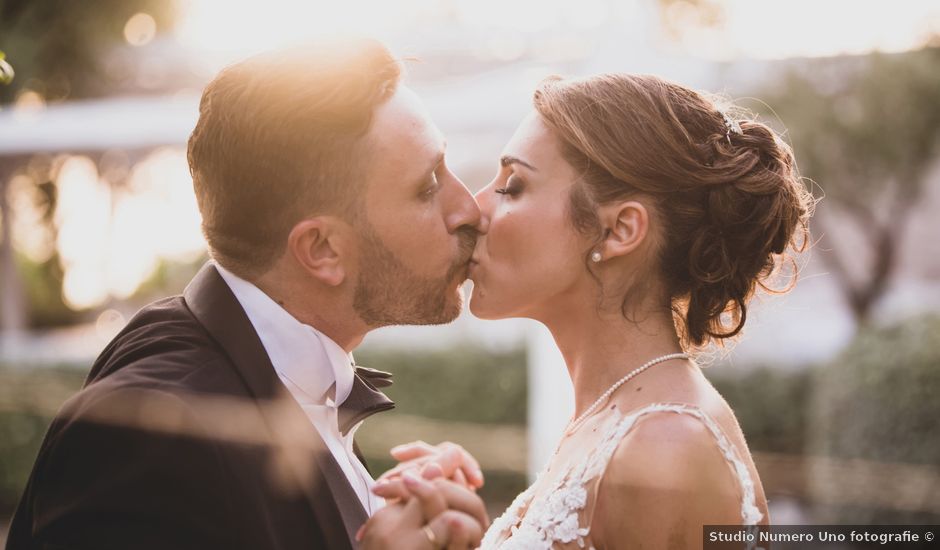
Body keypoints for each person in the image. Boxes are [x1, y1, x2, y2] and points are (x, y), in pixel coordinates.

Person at [6, 39, 487, 550]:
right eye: (427, 186)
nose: (469, 209)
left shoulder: (284, 376)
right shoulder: (151, 438)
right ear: (321, 249)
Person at [381, 73, 813, 548]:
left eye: (514, 184)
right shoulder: (610, 418)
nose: (475, 209)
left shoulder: (665, 445)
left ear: (618, 231)